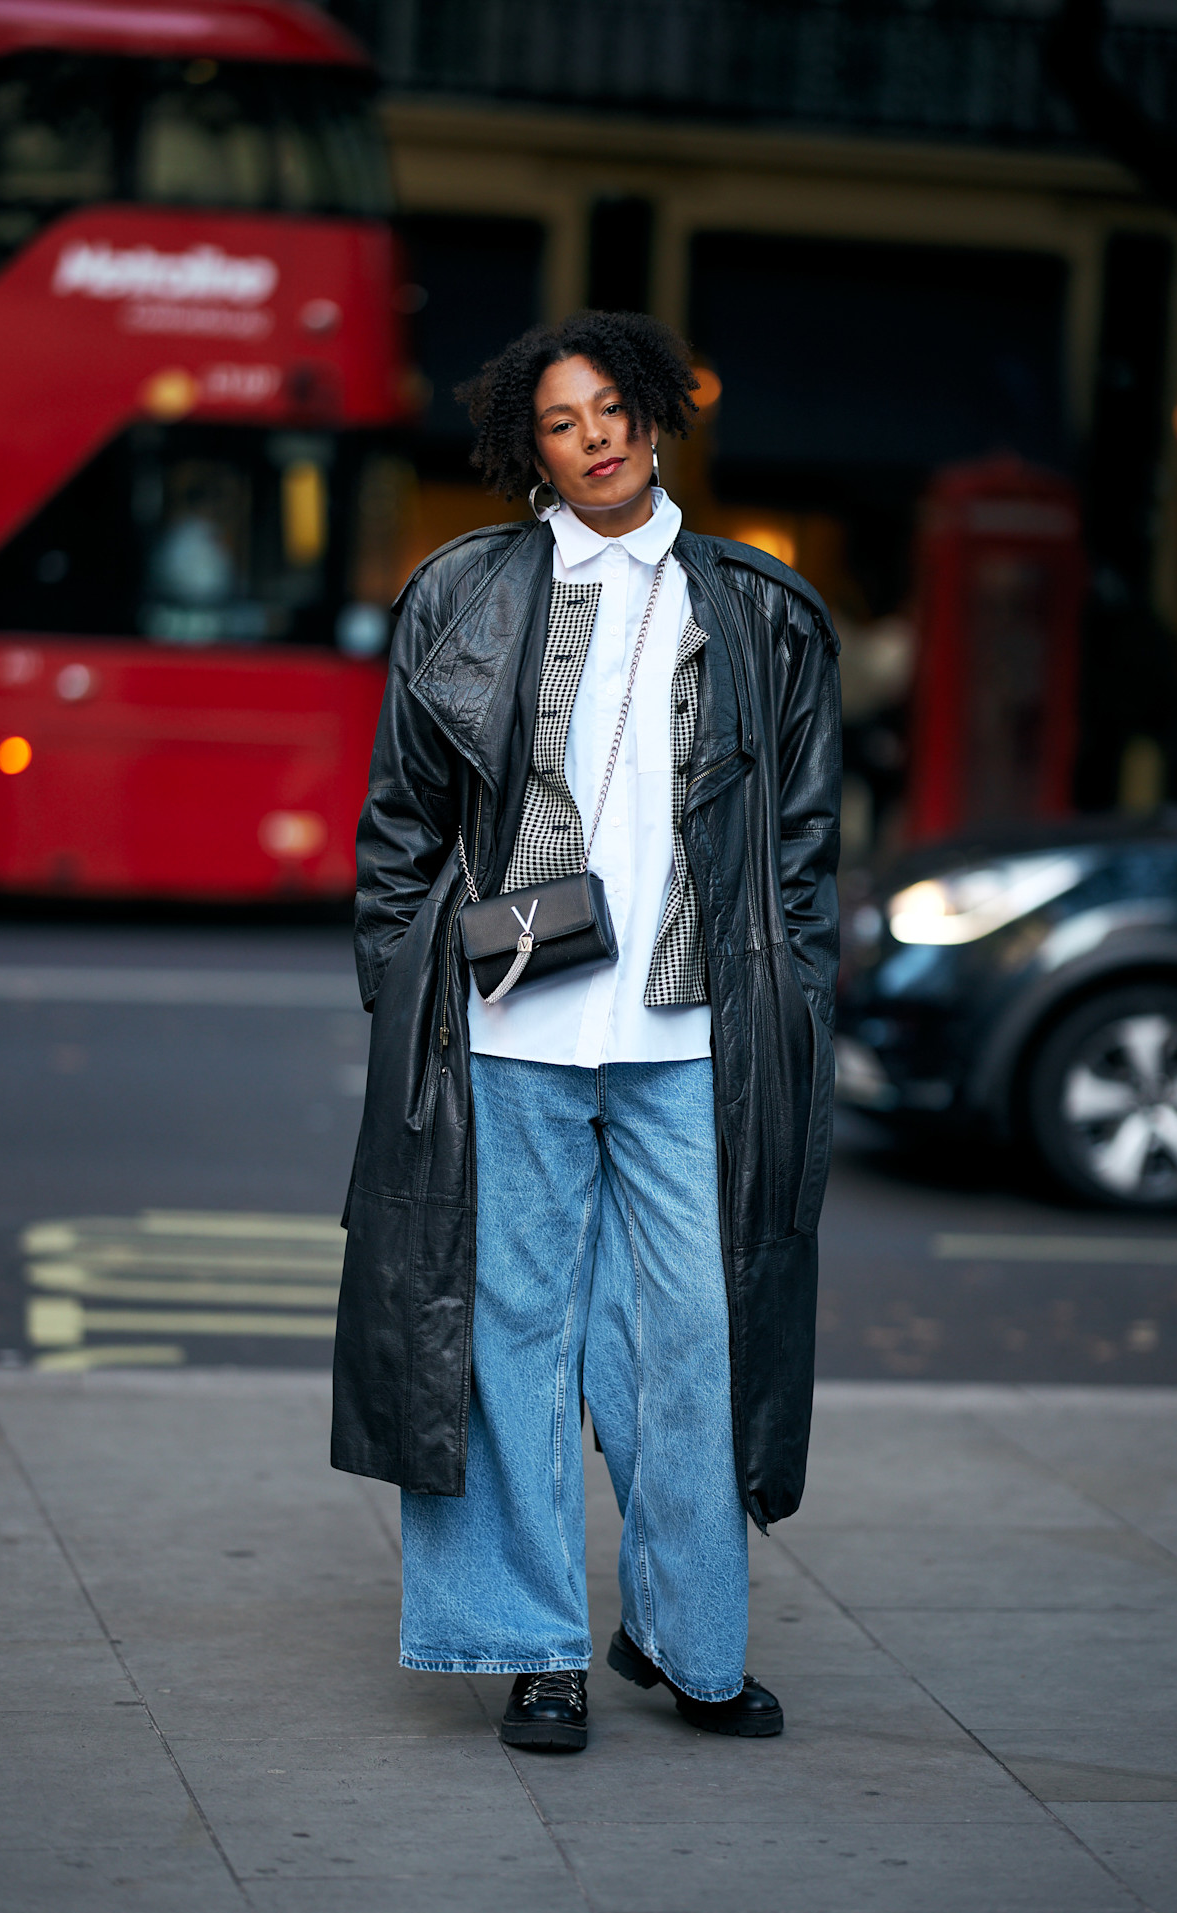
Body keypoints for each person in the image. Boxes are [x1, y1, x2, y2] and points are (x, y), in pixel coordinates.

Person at [332, 310, 841, 1753]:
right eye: (561, 422)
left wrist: (795, 1011)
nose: (594, 437)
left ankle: (690, 1642)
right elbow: (401, 825)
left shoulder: (760, 610)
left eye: (612, 408)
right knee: (509, 1344)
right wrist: (407, 986)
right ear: (530, 449)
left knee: (692, 1340)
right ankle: (531, 1648)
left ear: (657, 415)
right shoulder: (464, 593)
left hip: (690, 1039)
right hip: (508, 1030)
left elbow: (802, 855)